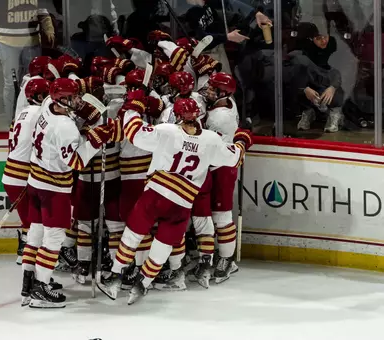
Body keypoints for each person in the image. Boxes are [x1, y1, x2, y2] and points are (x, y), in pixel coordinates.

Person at [97, 96, 252, 305]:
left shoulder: (167, 131)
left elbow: (135, 134)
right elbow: (235, 157)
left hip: (156, 195)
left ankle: (115, 277)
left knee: (133, 235)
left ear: (177, 116)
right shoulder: (210, 139)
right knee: (163, 246)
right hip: (182, 204)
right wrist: (243, 139)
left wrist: (133, 108)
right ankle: (143, 283)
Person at [25, 78, 116, 308]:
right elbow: (75, 162)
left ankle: (29, 284)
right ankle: (41, 289)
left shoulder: (47, 103)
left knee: (35, 233)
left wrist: (88, 114)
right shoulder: (64, 127)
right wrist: (96, 140)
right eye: (73, 97)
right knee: (53, 238)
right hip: (53, 188)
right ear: (63, 100)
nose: (77, 100)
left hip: (35, 181)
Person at [2, 78, 50, 271]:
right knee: (34, 220)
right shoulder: (40, 114)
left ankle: (25, 250)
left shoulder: (22, 112)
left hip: (11, 173)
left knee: (30, 217)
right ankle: (28, 256)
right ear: (39, 96)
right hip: (21, 174)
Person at [0, 0, 55, 122]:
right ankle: (11, 122)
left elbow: (42, 10)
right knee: (10, 84)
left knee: (32, 83)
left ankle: (30, 121)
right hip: (7, 41)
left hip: (31, 41)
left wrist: (49, 28)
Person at [202, 72, 240, 283]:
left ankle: (227, 260)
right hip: (219, 164)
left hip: (222, 168)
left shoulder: (219, 118)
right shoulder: (229, 102)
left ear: (222, 93)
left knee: (221, 217)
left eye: (211, 89)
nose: (207, 91)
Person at [292, 22, 345, 133]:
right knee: (297, 88)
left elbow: (340, 71)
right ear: (312, 39)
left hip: (330, 83)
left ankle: (335, 112)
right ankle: (308, 111)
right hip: (314, 84)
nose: (323, 40)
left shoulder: (335, 46)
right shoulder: (306, 51)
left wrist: (333, 87)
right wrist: (305, 88)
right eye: (318, 38)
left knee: (336, 92)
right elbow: (298, 72)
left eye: (325, 37)